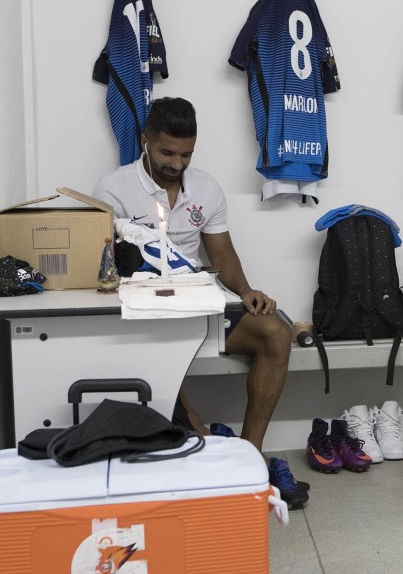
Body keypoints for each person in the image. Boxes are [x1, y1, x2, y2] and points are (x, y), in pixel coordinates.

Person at [92, 97, 301, 494]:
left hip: (200, 303)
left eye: (186, 154)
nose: (176, 163)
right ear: (144, 142)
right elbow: (103, 266)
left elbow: (221, 254)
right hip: (146, 312)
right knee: (155, 349)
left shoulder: (206, 187)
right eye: (167, 152)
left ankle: (250, 458)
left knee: (275, 332)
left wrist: (246, 290)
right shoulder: (113, 188)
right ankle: (203, 442)